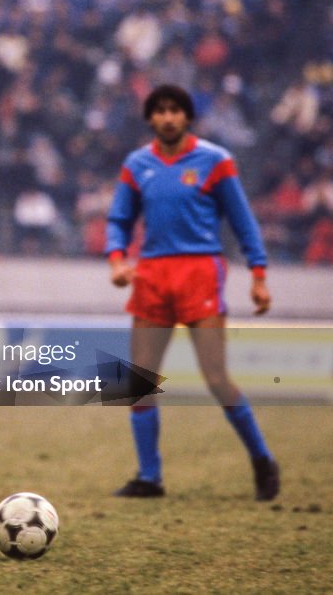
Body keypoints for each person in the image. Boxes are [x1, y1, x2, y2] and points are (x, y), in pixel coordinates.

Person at [106, 84, 280, 501]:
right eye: (160, 111)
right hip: (152, 275)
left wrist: (258, 274)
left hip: (200, 271)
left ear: (187, 117)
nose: (168, 117)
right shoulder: (137, 164)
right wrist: (116, 260)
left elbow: (243, 222)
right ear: (150, 118)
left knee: (216, 377)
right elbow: (119, 220)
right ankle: (150, 477)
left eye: (175, 110)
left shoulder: (215, 161)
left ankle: (261, 459)